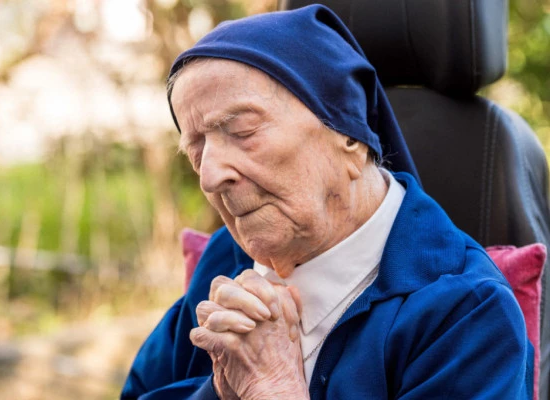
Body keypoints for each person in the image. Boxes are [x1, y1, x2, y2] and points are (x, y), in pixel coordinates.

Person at [121, 5, 533, 399]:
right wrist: (217, 392)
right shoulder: (225, 260)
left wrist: (272, 388)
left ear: (349, 135)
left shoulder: (468, 314)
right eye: (195, 151)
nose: (210, 177)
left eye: (242, 131)